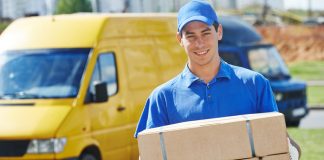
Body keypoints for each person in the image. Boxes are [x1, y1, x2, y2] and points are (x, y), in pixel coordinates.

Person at [135, 0, 301, 158]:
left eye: (206, 33)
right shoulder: (162, 97)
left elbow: (275, 142)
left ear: (219, 32)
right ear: (180, 39)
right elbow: (150, 153)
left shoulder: (255, 84)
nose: (199, 43)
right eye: (191, 36)